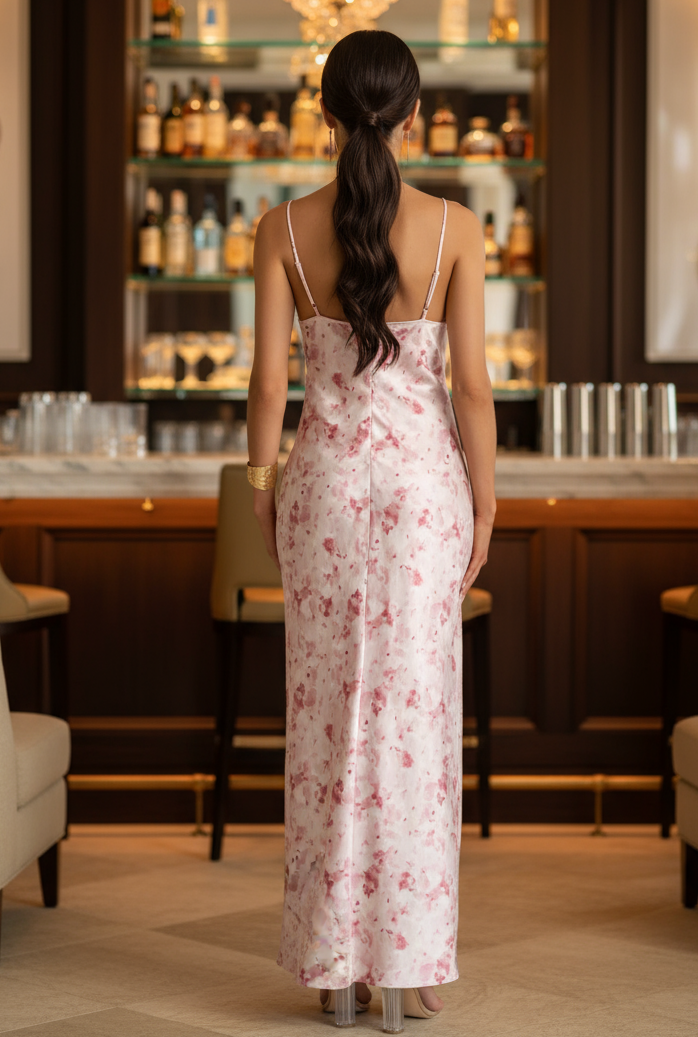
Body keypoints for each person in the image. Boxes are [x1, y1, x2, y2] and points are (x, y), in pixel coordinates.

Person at [246, 29, 496, 1030]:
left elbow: (268, 384)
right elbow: (471, 388)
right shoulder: (455, 229)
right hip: (423, 495)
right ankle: (409, 962)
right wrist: (485, 501)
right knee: (415, 727)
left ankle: (332, 966)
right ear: (417, 113)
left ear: (323, 115)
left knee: (323, 726)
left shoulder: (279, 226)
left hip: (324, 492)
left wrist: (266, 484)